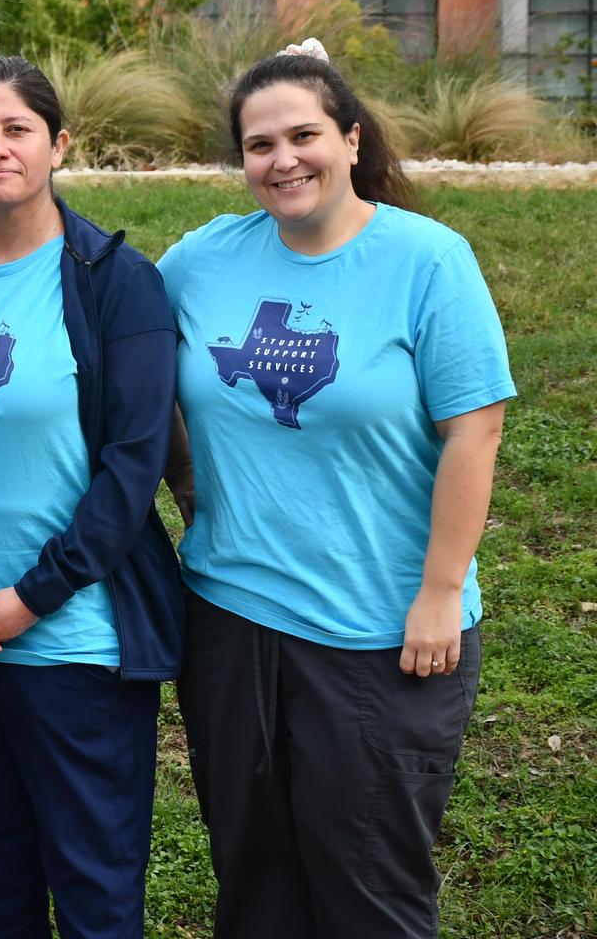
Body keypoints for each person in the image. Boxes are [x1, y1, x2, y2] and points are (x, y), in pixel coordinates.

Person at [159, 48, 513, 939]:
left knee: (370, 887)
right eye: (259, 144)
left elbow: (475, 429)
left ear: (351, 139)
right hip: (231, 620)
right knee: (253, 875)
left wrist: (440, 591)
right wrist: (190, 480)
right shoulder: (199, 262)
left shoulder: (428, 260)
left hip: (382, 630)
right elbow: (143, 378)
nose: (284, 160)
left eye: (304, 135)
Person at [0, 57, 182, 938]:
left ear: (59, 144)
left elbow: (132, 470)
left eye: (18, 129)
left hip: (72, 645)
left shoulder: (114, 283)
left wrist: (31, 599)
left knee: (95, 895)